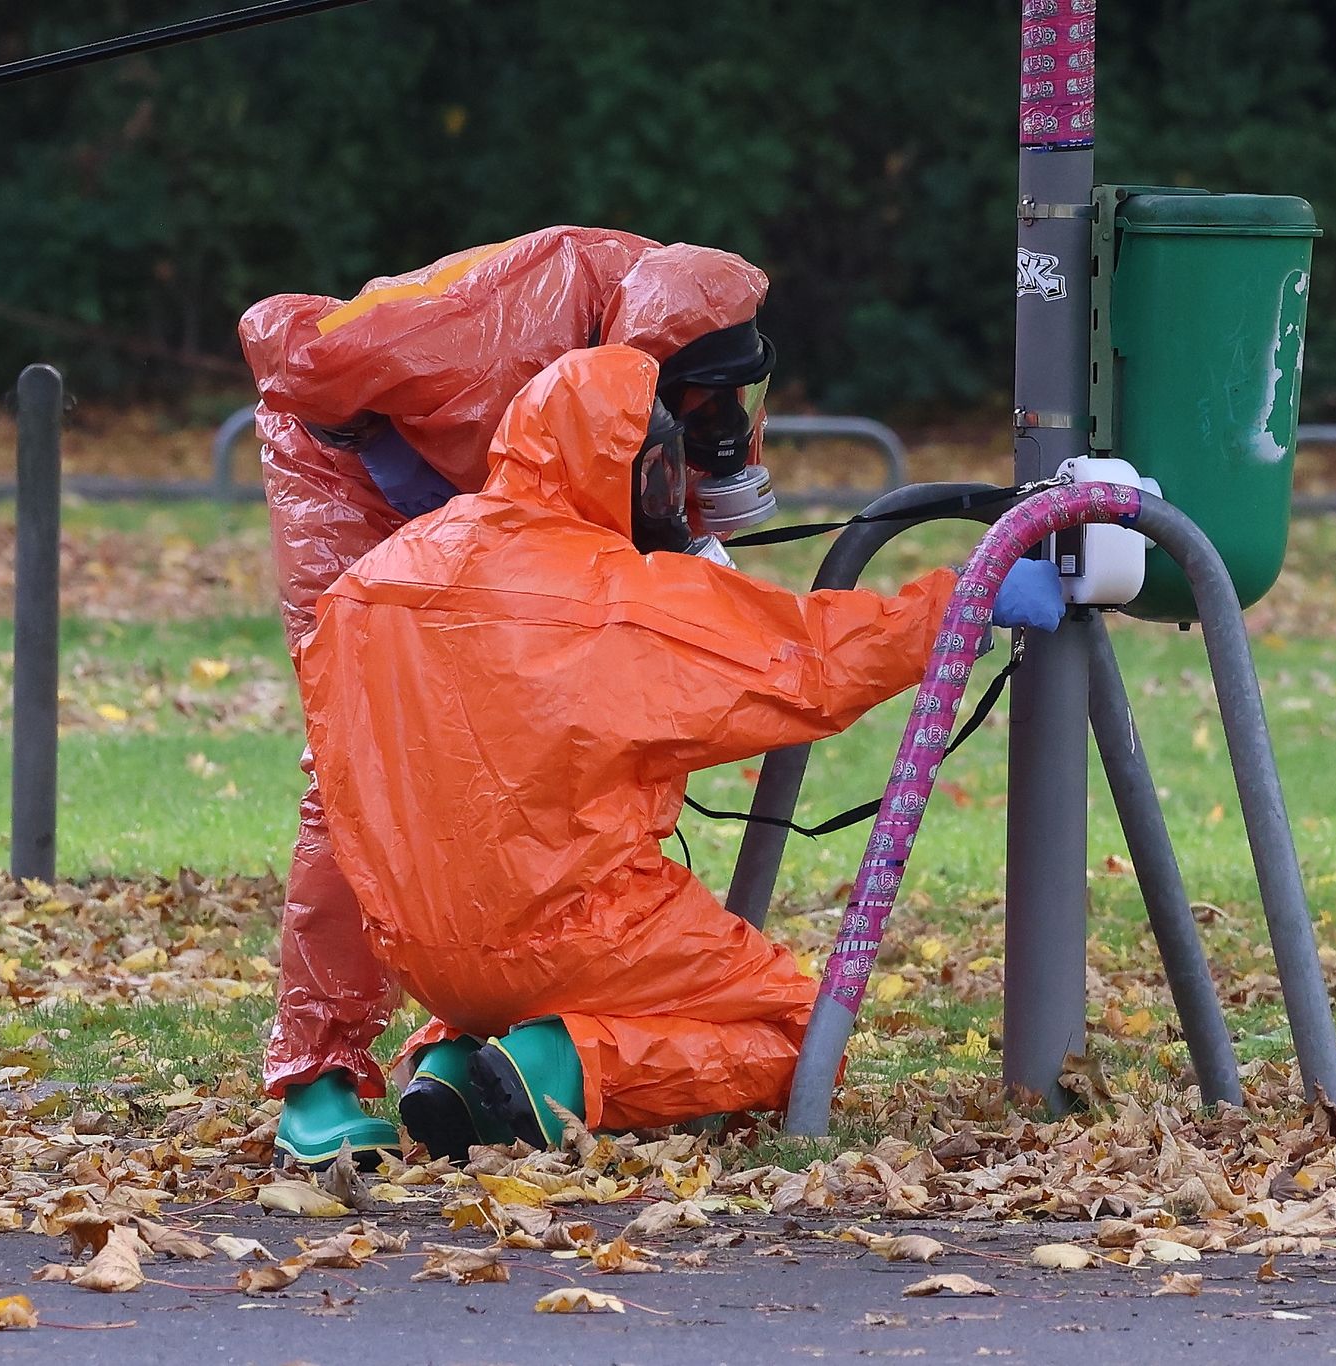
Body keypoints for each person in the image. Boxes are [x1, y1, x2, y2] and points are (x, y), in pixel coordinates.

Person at [295, 345, 1068, 1155]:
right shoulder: (617, 597)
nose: (676, 496)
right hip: (576, 930)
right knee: (802, 1035)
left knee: (559, 987)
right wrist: (965, 604)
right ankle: (559, 1067)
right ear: (627, 469)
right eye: (663, 474)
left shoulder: (369, 583)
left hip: (418, 948)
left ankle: (458, 1073)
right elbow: (806, 664)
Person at [238, 229, 785, 1166]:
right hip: (360, 488)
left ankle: (486, 1043)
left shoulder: (692, 329)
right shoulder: (501, 326)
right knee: (366, 764)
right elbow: (292, 350)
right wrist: (434, 496)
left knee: (540, 741)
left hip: (493, 501)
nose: (729, 423)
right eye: (705, 404)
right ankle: (318, 1076)